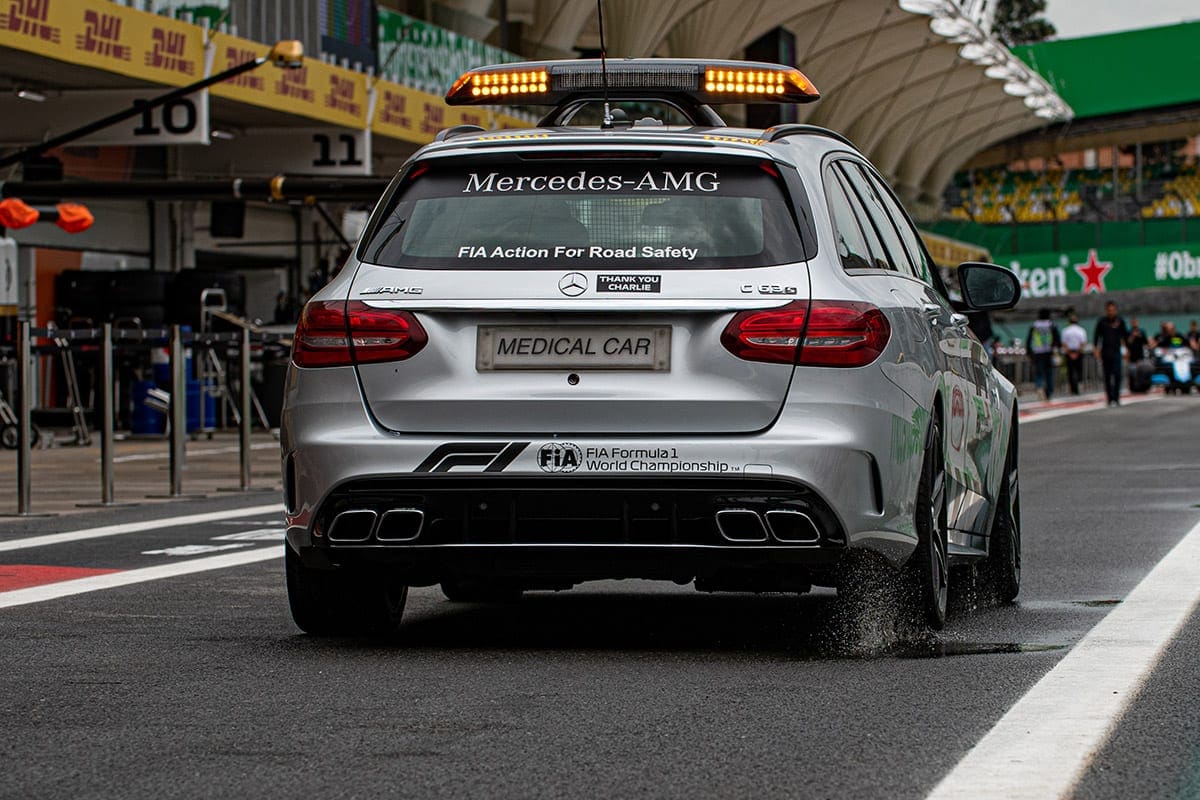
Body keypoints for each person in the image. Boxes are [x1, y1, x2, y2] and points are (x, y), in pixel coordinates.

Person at [1093, 300, 1129, 406]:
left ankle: (1116, 397)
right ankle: (1109, 398)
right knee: (1107, 376)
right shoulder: (1102, 322)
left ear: (1115, 310)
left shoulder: (1120, 321)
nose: (1111, 312)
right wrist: (1096, 349)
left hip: (1117, 351)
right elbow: (1096, 336)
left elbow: (1124, 336)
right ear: (1106, 310)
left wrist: (1127, 350)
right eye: (1109, 310)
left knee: (1118, 375)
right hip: (1105, 352)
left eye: (1113, 310)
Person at [1027, 308, 1060, 401]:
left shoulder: (1034, 325)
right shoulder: (1051, 324)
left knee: (1039, 372)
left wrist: (1029, 351)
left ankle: (1039, 386)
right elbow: (1057, 338)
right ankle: (1049, 392)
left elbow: (1029, 339)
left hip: (1037, 351)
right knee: (1049, 372)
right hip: (1049, 351)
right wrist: (1056, 349)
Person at [1060, 312, 1088, 395]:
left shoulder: (1065, 331)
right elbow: (1083, 343)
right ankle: (1079, 385)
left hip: (1069, 352)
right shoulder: (1081, 330)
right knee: (1079, 370)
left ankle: (1072, 388)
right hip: (1078, 352)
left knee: (1070, 371)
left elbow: (1063, 344)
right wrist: (1078, 352)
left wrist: (1070, 353)